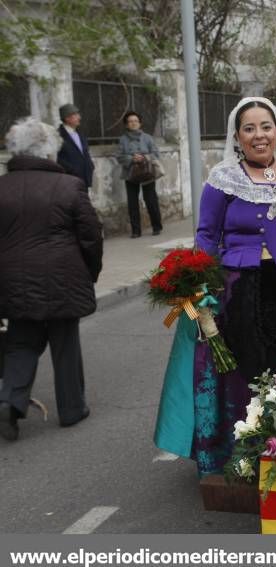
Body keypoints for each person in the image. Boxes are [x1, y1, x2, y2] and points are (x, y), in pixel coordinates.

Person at [155, 97, 276, 475]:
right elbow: (206, 235)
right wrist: (200, 289)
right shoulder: (223, 180)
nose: (259, 136)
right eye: (249, 128)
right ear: (237, 137)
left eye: (266, 127)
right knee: (253, 374)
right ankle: (253, 455)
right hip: (244, 292)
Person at [0, 117, 103, 441]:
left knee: (21, 340)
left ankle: (9, 402)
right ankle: (72, 409)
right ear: (49, 152)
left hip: (13, 279)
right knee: (65, 342)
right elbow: (91, 236)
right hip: (62, 276)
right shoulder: (69, 185)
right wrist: (91, 272)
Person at [116, 111, 163, 238]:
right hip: (130, 174)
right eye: (130, 121)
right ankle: (136, 230)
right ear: (126, 124)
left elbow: (156, 154)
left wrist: (143, 157)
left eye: (135, 121)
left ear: (140, 123)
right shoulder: (122, 140)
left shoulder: (147, 138)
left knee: (151, 199)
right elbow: (119, 157)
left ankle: (156, 226)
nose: (133, 123)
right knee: (132, 202)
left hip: (147, 172)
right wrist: (132, 159)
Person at [56, 103, 94, 191]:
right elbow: (57, 159)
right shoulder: (57, 135)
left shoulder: (80, 133)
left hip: (84, 178)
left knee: (83, 202)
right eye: (76, 115)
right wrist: (72, 170)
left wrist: (90, 166)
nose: (79, 117)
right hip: (69, 180)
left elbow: (85, 152)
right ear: (67, 118)